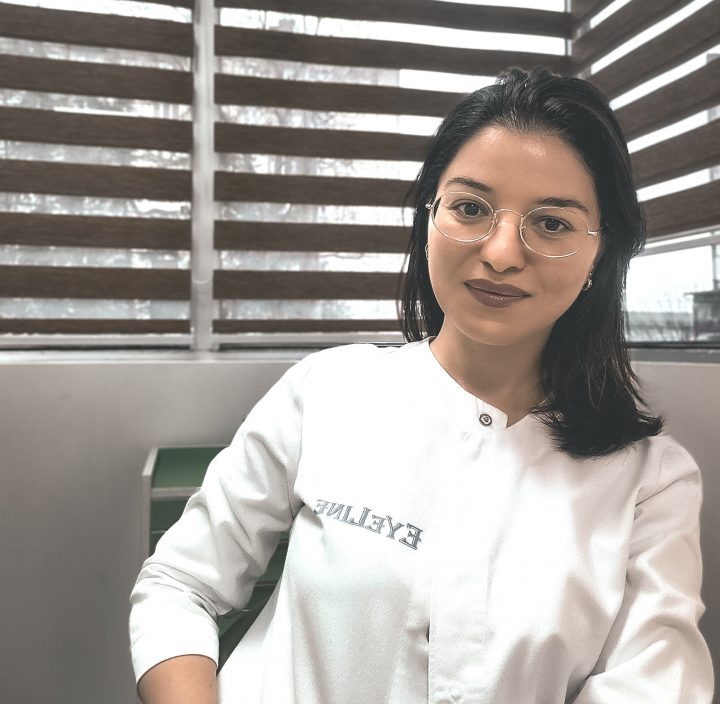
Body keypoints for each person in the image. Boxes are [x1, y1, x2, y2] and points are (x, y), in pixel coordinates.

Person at [129, 68, 714, 703]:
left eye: (551, 223)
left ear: (601, 253)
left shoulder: (650, 483)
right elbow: (180, 583)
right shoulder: (329, 391)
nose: (501, 253)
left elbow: (659, 686)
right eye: (471, 208)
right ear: (428, 219)